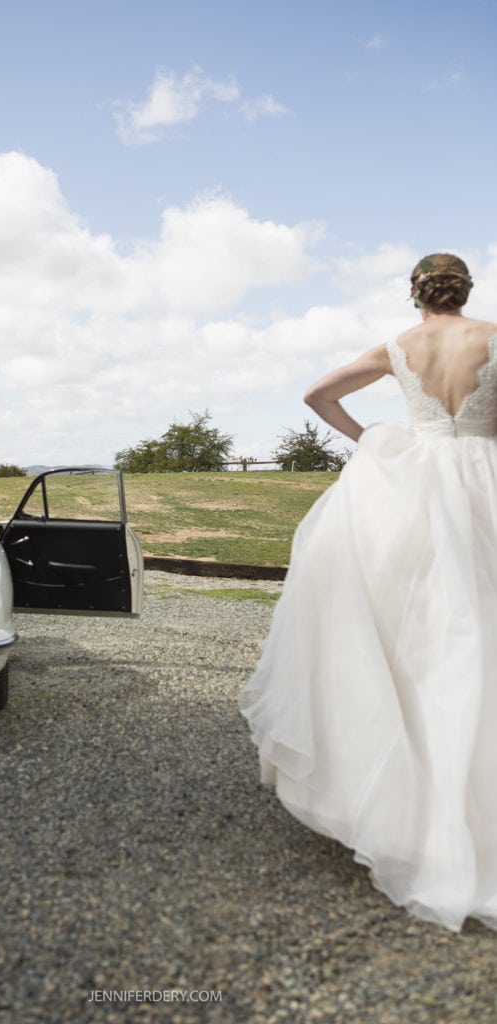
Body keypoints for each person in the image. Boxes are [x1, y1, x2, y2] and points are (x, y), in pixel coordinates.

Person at [239, 253, 497, 932]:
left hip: (418, 486)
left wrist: (370, 443)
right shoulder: (494, 335)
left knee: (417, 637)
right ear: (465, 289)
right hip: (486, 480)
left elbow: (316, 395)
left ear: (415, 293)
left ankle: (409, 810)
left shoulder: (398, 346)